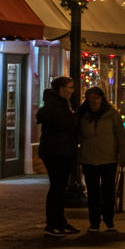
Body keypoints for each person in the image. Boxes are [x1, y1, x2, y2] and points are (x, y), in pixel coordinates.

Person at [76, 86, 125, 232]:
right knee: (92, 192)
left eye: (96, 98)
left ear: (101, 99)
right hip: (88, 159)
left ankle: (108, 219)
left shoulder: (112, 114)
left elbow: (120, 136)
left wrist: (123, 156)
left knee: (108, 191)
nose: (94, 101)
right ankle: (94, 222)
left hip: (108, 159)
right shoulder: (82, 115)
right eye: (91, 98)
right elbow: (77, 135)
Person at [36, 76, 80, 236]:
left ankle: (60, 221)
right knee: (56, 187)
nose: (72, 91)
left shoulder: (62, 104)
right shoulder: (54, 105)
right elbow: (48, 118)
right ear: (60, 89)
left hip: (62, 150)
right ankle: (52, 224)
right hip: (55, 152)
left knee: (60, 188)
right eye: (69, 87)